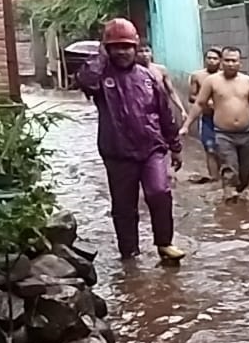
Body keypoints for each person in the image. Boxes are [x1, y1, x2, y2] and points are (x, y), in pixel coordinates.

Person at [76, 18, 186, 262]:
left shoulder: (148, 78)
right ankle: (129, 253)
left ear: (135, 48)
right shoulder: (100, 78)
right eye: (116, 47)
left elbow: (165, 114)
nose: (122, 52)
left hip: (152, 148)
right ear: (108, 49)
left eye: (127, 46)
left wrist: (175, 147)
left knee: (159, 192)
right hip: (117, 153)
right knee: (124, 206)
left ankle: (165, 244)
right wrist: (101, 55)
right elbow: (84, 81)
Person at [179, 46, 249, 202]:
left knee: (245, 173)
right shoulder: (212, 81)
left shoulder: (247, 81)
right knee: (230, 169)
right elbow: (199, 103)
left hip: (246, 133)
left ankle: (238, 195)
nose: (230, 64)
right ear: (222, 62)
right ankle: (229, 204)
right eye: (227, 60)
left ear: (240, 63)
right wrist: (186, 125)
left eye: (234, 61)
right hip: (223, 133)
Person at [188, 48, 223, 181]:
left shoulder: (225, 76)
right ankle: (214, 180)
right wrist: (204, 100)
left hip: (223, 119)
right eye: (209, 58)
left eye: (215, 58)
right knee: (210, 149)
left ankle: (224, 179)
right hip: (208, 118)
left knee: (223, 150)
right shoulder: (197, 76)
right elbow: (191, 97)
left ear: (220, 61)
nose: (211, 61)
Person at [136, 44, 188, 122]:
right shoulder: (132, 72)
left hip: (160, 109)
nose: (144, 54)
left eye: (147, 51)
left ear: (151, 53)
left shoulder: (160, 70)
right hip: (141, 110)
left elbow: (171, 92)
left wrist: (182, 109)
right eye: (140, 51)